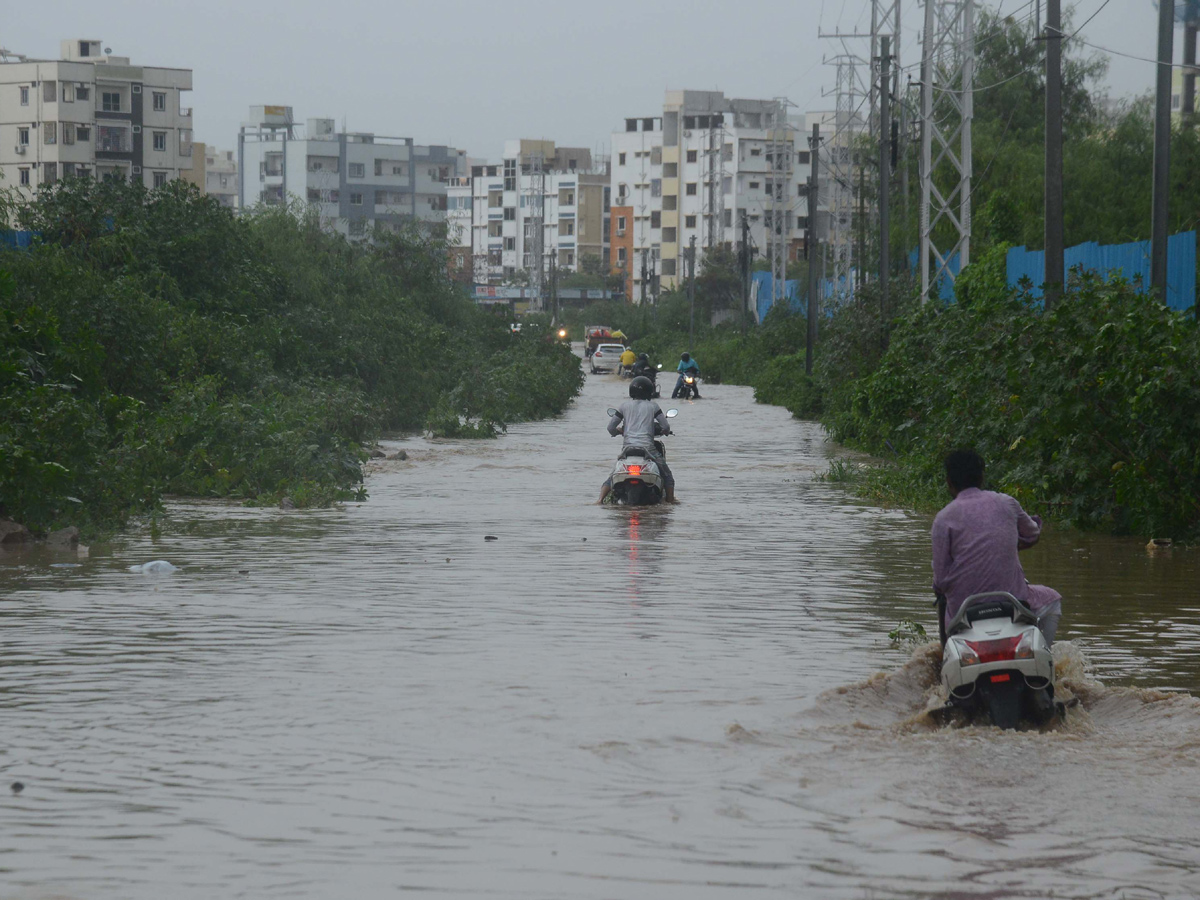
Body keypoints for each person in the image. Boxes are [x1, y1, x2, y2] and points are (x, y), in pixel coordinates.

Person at [932, 449, 1062, 646]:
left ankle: (945, 659)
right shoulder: (1007, 503)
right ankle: (1045, 654)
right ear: (981, 477)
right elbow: (1033, 534)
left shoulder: (943, 519)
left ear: (949, 482)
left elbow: (940, 580)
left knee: (943, 604)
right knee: (1052, 600)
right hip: (1011, 604)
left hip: (963, 611)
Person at [598, 375, 677, 504]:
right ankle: (670, 501)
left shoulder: (624, 406)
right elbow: (665, 426)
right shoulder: (653, 406)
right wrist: (666, 431)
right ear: (650, 391)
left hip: (628, 449)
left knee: (612, 475)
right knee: (668, 476)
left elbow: (610, 427)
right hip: (649, 448)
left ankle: (599, 500)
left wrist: (618, 431)